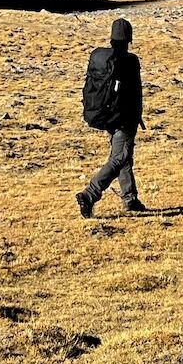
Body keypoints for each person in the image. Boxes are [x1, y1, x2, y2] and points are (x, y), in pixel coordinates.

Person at [76, 17, 147, 217]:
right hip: (125, 119)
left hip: (108, 116)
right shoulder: (130, 62)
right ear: (129, 38)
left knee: (123, 157)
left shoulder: (104, 60)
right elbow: (135, 93)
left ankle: (130, 199)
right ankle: (90, 194)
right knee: (120, 158)